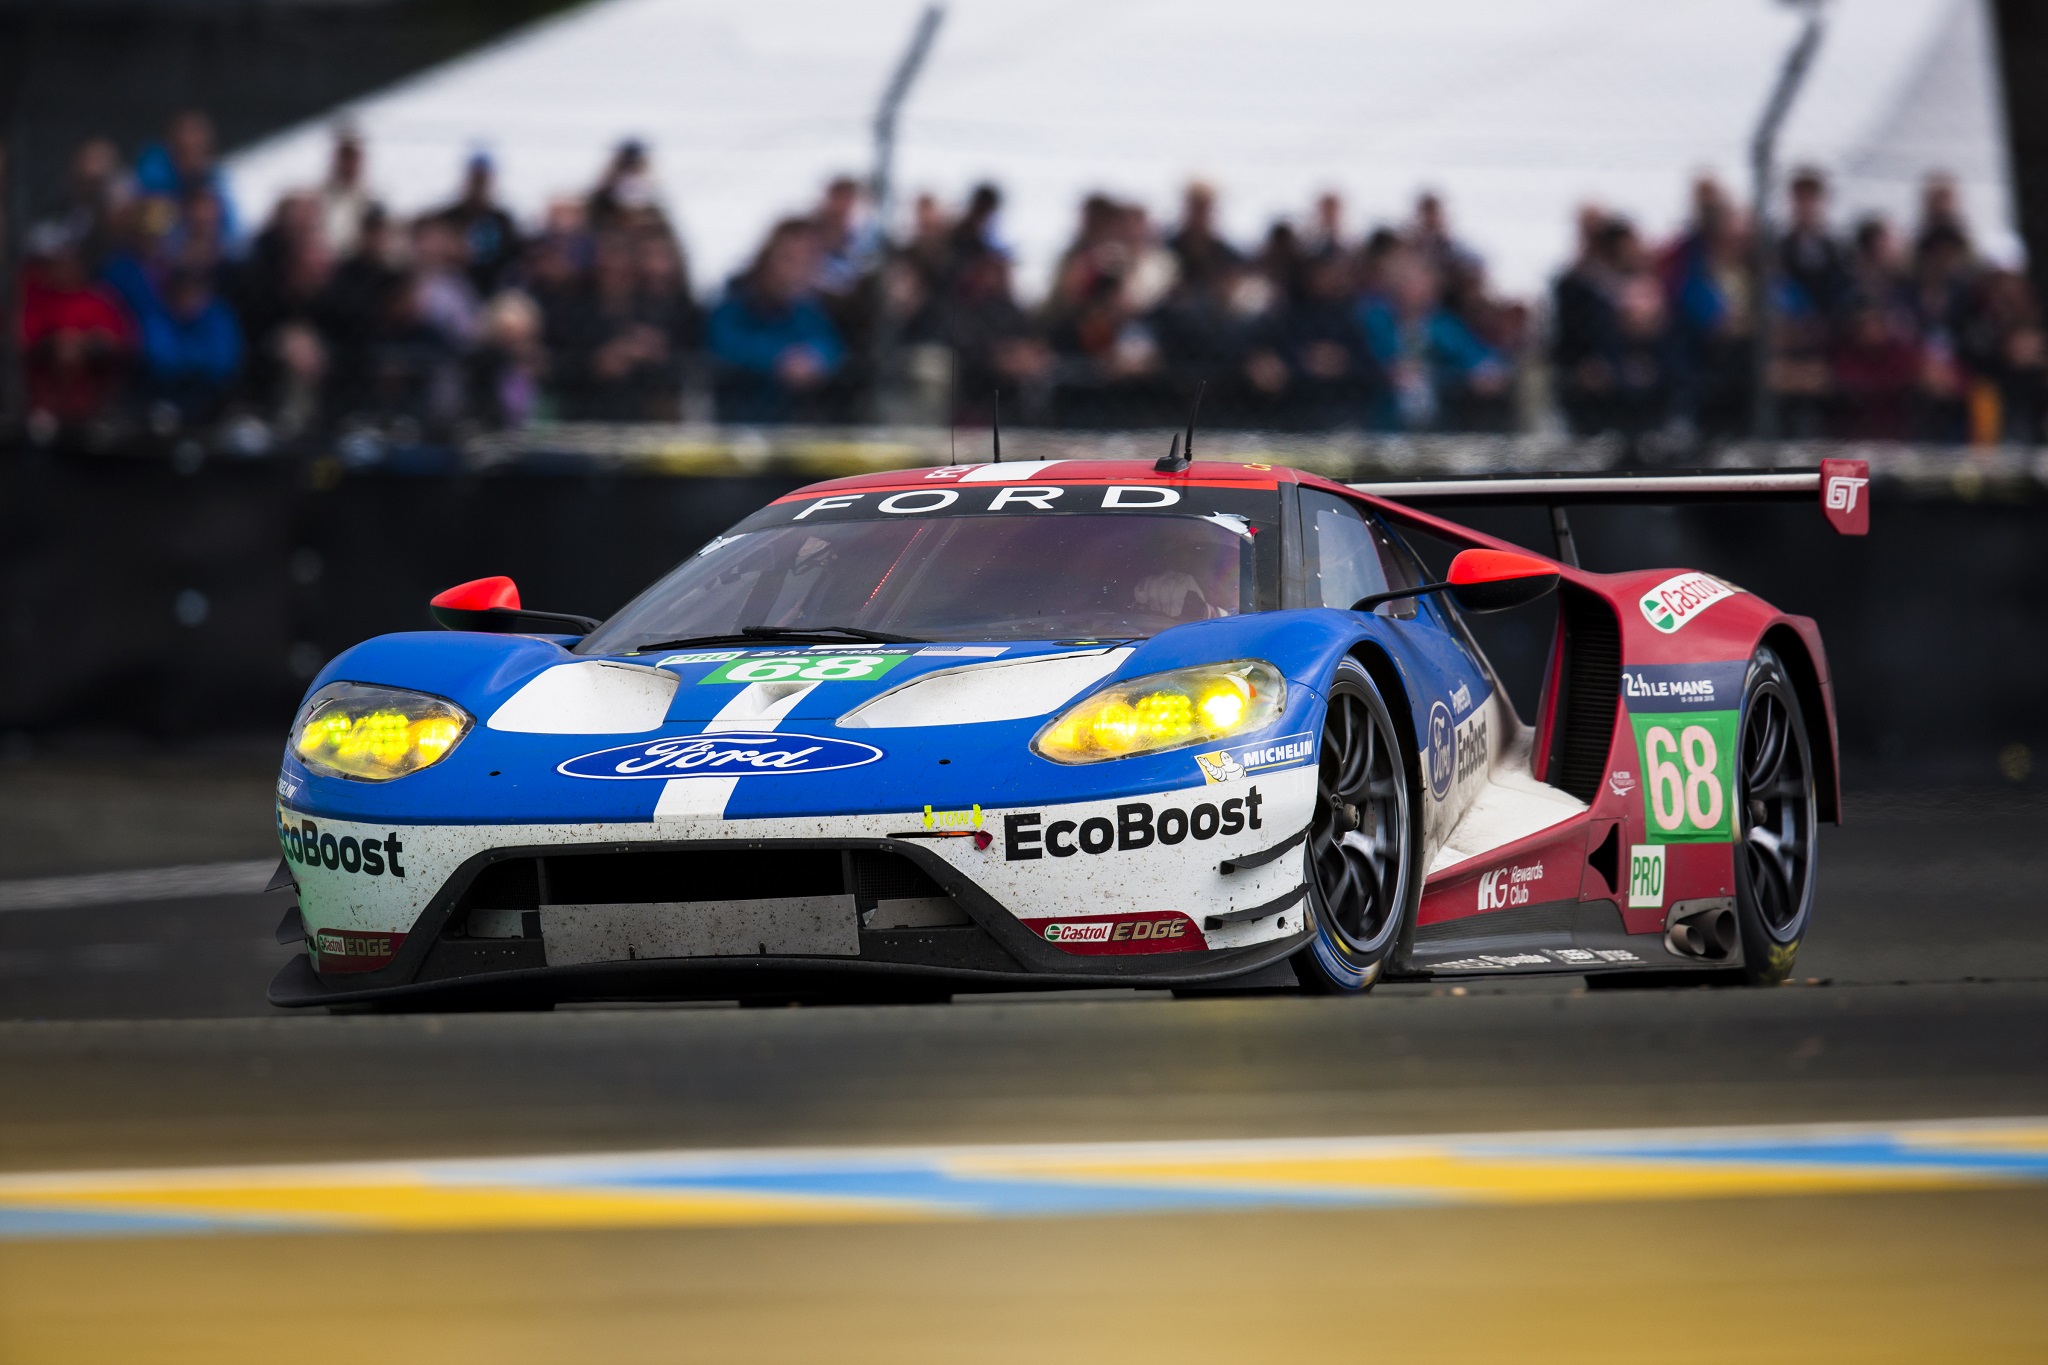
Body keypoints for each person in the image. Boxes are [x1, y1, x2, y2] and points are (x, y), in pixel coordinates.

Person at [707, 218, 844, 423]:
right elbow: (723, 343)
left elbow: (830, 345)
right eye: (790, 259)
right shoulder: (734, 302)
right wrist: (777, 360)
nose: (796, 271)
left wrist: (815, 360)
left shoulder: (809, 309)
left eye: (806, 262)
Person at [17, 227, 136, 429]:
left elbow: (124, 344)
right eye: (54, 261)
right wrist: (54, 344)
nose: (62, 267)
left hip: (93, 408)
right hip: (40, 410)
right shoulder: (33, 300)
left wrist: (87, 345)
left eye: (68, 258)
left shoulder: (100, 301)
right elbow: (21, 341)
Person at [134, 111, 238, 245]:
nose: (192, 158)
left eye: (198, 148)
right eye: (184, 150)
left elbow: (232, 233)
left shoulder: (217, 182)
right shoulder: (152, 180)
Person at [430, 153, 524, 296]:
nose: (478, 185)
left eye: (483, 179)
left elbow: (513, 257)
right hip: (453, 287)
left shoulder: (502, 220)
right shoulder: (446, 217)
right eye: (475, 178)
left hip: (493, 288)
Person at [317, 127, 376, 258]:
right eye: (344, 157)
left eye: (353, 157)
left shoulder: (371, 201)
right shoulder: (317, 198)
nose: (349, 164)